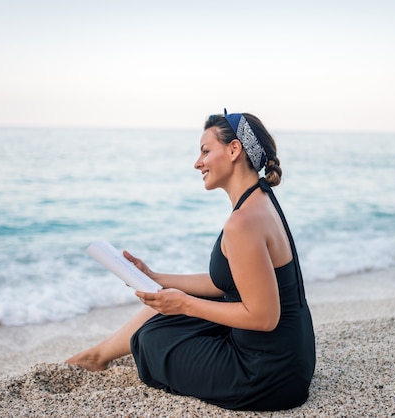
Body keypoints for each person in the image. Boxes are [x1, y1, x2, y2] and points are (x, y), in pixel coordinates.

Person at [66, 110, 316, 411]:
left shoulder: (243, 223)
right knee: (163, 314)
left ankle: (98, 356)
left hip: (263, 377)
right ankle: (97, 356)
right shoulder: (260, 201)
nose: (198, 163)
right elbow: (224, 282)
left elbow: (264, 317)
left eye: (205, 151)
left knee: (150, 340)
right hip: (290, 363)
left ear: (234, 150)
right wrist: (156, 277)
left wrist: (184, 304)